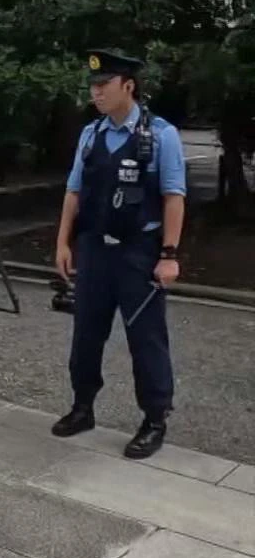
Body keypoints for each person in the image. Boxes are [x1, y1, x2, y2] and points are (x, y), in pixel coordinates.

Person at [50, 49, 185, 460]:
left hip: (138, 253)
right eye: (93, 86)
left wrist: (169, 254)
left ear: (128, 85)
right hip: (94, 250)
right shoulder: (91, 135)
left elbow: (173, 197)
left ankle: (154, 419)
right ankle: (83, 406)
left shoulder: (160, 134)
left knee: (146, 340)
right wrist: (62, 242)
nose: (96, 93)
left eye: (104, 85)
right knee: (86, 333)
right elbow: (74, 191)